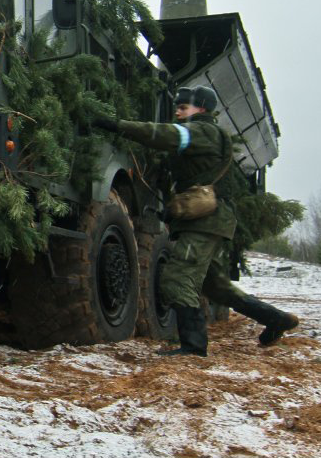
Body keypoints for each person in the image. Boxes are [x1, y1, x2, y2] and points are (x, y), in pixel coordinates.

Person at [93, 86, 299, 356]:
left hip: (207, 222)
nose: (177, 110)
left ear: (201, 108)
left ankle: (193, 346)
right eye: (177, 106)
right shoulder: (205, 135)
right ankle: (276, 319)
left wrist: (115, 125)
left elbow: (162, 134)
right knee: (215, 286)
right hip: (207, 221)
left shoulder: (202, 131)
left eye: (183, 106)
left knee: (177, 278)